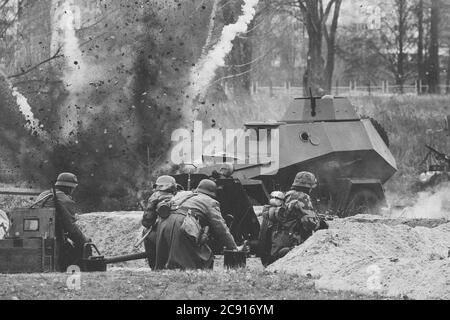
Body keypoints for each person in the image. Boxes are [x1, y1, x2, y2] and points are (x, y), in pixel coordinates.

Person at [154, 179, 238, 270]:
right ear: (213, 192)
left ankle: (162, 269)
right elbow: (221, 228)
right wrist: (233, 248)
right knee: (203, 257)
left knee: (165, 261)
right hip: (183, 224)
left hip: (164, 222)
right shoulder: (210, 202)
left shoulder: (182, 194)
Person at [36, 172, 90, 269]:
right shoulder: (64, 199)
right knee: (84, 245)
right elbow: (71, 228)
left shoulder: (43, 195)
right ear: (69, 188)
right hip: (54, 239)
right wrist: (84, 240)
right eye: (73, 188)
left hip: (38, 237)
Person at [266, 172, 323, 264]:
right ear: (309, 186)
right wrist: (321, 224)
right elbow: (310, 223)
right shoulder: (303, 197)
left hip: (278, 240)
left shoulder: (288, 195)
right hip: (292, 242)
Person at [140, 175, 178, 269]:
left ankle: (155, 267)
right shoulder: (179, 195)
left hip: (162, 234)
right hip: (180, 231)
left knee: (146, 233)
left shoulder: (154, 197)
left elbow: (147, 222)